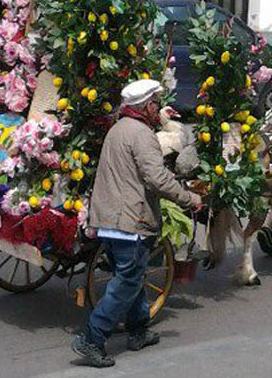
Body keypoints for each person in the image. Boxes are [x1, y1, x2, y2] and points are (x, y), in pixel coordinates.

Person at [72, 79, 201, 367]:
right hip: (129, 220)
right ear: (146, 106)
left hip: (110, 218)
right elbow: (156, 178)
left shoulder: (118, 129)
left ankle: (137, 330)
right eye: (156, 102)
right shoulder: (142, 134)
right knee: (127, 281)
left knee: (132, 276)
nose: (159, 108)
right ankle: (91, 339)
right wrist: (189, 198)